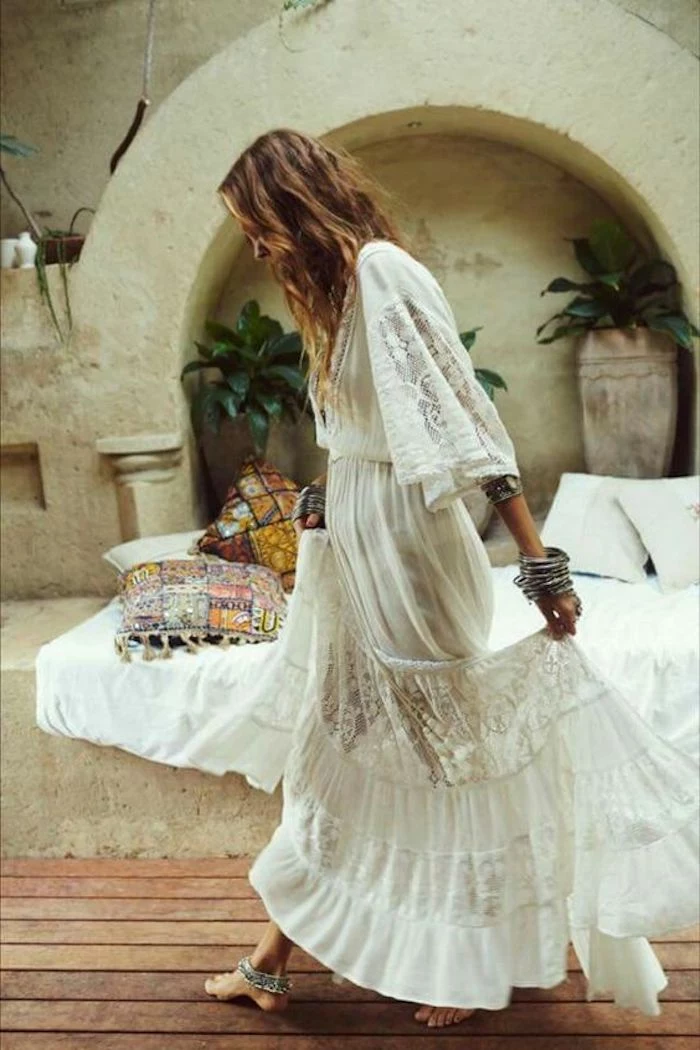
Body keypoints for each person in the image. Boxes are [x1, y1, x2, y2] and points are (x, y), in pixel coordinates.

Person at [203, 129, 699, 1028]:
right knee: (332, 754)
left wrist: (541, 566)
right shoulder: (342, 294)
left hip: (409, 559)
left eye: (258, 223)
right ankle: (272, 964)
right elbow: (370, 438)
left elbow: (470, 423)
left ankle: (468, 962)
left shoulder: (385, 273)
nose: (256, 245)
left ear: (294, 202)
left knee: (443, 758)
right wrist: (327, 496)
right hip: (359, 555)